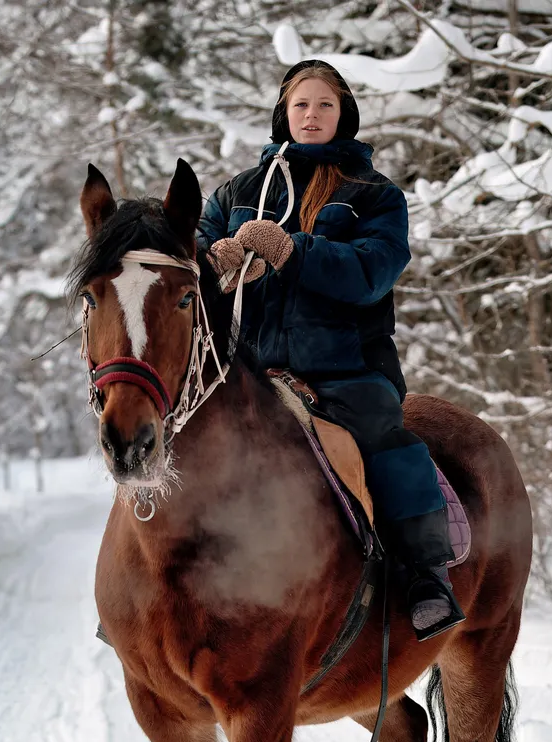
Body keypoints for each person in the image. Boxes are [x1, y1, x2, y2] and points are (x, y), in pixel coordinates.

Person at [197, 59, 463, 640]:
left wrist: (294, 251)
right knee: (181, 439)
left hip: (346, 369)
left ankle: (426, 575)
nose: (311, 115)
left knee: (383, 435)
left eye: (324, 105)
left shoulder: (374, 196)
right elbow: (190, 255)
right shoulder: (235, 192)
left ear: (343, 114)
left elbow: (373, 271)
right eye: (301, 105)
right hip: (249, 365)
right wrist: (214, 263)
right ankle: (153, 589)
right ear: (283, 115)